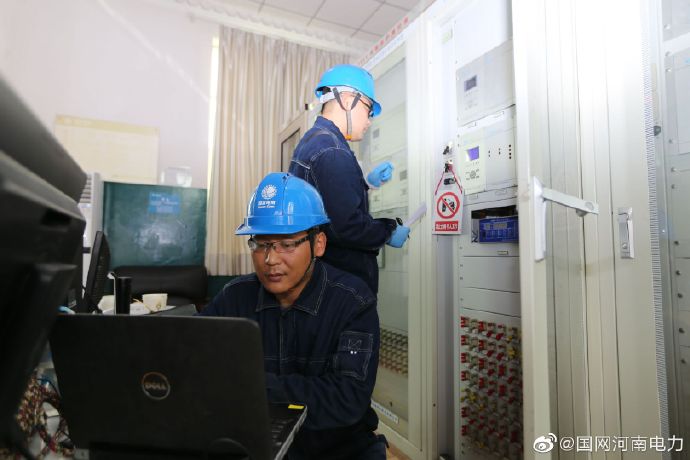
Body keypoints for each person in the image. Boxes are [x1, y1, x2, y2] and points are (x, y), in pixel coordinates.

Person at [199, 172, 387, 459]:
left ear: (318, 244)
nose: (270, 259)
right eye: (260, 244)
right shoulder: (234, 297)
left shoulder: (353, 302)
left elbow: (347, 399)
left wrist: (250, 385)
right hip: (257, 442)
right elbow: (192, 362)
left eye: (287, 244)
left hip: (339, 448)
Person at [288, 64, 409, 295]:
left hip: (322, 279)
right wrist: (389, 231)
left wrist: (367, 184)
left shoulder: (313, 140)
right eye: (369, 109)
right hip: (341, 286)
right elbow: (346, 227)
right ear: (347, 99)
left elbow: (326, 205)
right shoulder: (332, 150)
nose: (370, 120)